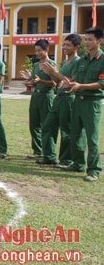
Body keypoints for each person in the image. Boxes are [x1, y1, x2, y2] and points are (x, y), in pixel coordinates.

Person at [43, 27, 104, 182]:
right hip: (78, 100)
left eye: (91, 39)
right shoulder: (83, 60)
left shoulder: (102, 59)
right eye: (86, 39)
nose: (87, 42)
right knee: (75, 134)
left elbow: (101, 83)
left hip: (92, 103)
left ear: (99, 41)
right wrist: (66, 82)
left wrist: (79, 86)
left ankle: (94, 170)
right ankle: (78, 163)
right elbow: (73, 80)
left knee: (92, 138)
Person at [37, 34, 81, 166]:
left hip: (69, 98)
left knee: (66, 130)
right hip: (59, 98)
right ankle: (49, 157)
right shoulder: (64, 62)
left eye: (68, 45)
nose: (64, 47)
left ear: (76, 47)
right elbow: (58, 81)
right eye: (64, 45)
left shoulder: (78, 62)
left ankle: (66, 159)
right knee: (47, 126)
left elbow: (70, 81)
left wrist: (55, 73)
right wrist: (52, 74)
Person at [20, 39, 57, 159]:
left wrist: (40, 81)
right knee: (34, 124)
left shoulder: (52, 64)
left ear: (46, 50)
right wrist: (30, 80)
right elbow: (35, 81)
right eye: (35, 50)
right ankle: (37, 151)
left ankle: (48, 152)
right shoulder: (36, 65)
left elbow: (54, 83)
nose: (37, 53)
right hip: (36, 95)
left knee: (46, 125)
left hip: (47, 96)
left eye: (39, 50)